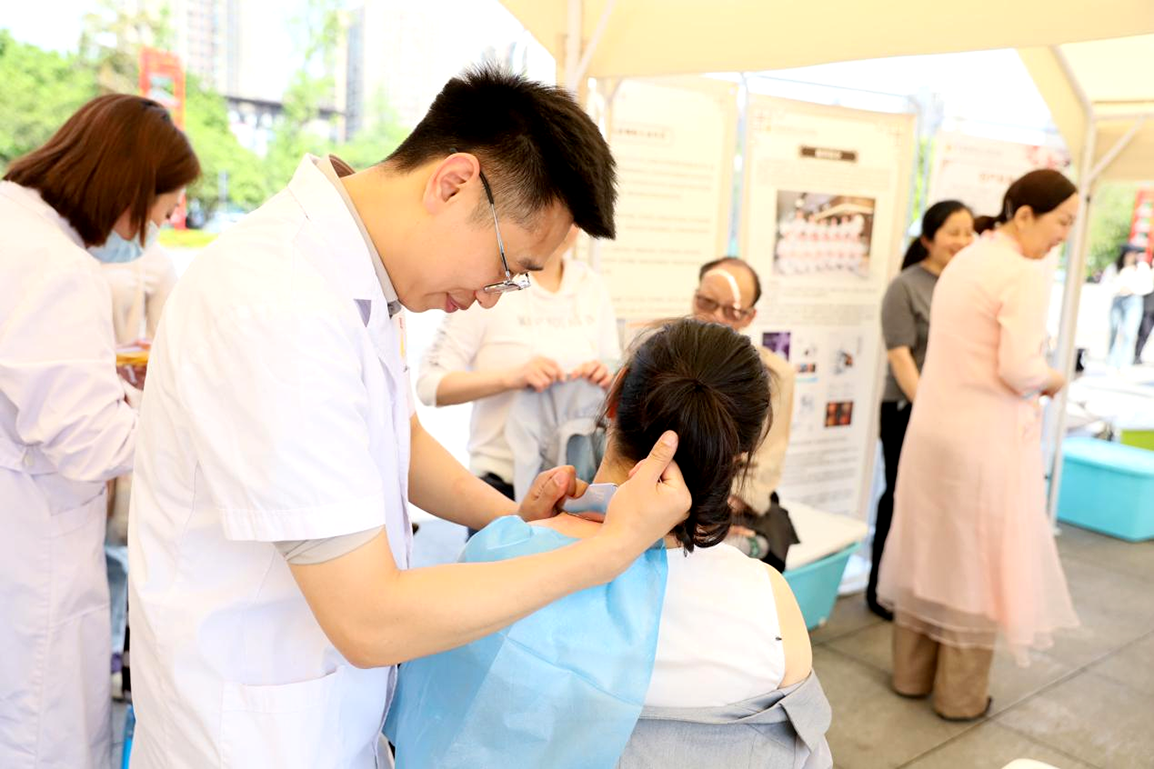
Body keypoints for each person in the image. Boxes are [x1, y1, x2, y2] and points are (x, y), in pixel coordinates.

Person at [127, 66, 690, 768]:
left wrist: (518, 523)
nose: (492, 297)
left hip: (323, 718)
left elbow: (400, 437)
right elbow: (370, 618)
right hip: (250, 738)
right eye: (509, 266)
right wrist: (602, 553)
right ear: (453, 183)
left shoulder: (359, 274)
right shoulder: (279, 305)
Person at [387, 319, 828, 768]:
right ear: (737, 453)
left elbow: (433, 726)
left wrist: (522, 534)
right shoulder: (768, 602)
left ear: (614, 396)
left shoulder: (495, 560)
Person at [0, 93, 199, 769]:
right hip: (30, 557)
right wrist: (186, 415)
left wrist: (110, 383)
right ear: (125, 191)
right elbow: (91, 442)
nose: (148, 235)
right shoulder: (56, 266)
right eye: (155, 214)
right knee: (38, 734)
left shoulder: (12, 224)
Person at [878, 170, 1080, 721]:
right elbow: (1019, 369)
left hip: (934, 432)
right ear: (1025, 215)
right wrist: (1053, 378)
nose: (1064, 235)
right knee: (975, 558)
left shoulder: (967, 259)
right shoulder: (1021, 272)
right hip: (985, 439)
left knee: (930, 547)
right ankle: (959, 697)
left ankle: (911, 676)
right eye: (1062, 222)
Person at [416, 224, 620, 504]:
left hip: (577, 485)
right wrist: (511, 378)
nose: (565, 227)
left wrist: (605, 374)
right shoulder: (490, 284)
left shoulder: (590, 286)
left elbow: (614, 372)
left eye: (575, 220)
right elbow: (430, 386)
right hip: (500, 485)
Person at [868, 200, 974, 620]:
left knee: (938, 503)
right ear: (928, 238)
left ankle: (920, 590)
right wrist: (930, 411)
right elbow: (900, 357)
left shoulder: (967, 285)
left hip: (954, 413)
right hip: (906, 409)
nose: (962, 240)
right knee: (900, 496)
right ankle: (881, 589)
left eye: (968, 232)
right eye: (953, 232)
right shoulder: (905, 287)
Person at [691, 257, 797, 569]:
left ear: (749, 317)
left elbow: (765, 463)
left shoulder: (774, 375)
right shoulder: (664, 355)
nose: (715, 317)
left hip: (731, 500)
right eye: (706, 303)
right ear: (695, 297)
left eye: (732, 311)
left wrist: (712, 515)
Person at [1102, 243, 1152, 369]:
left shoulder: (1141, 267)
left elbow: (1148, 285)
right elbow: (1106, 283)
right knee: (1114, 328)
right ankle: (1112, 358)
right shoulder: (1115, 267)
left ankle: (1125, 361)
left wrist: (1133, 289)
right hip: (1118, 298)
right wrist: (1118, 289)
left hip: (1134, 299)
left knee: (1129, 331)